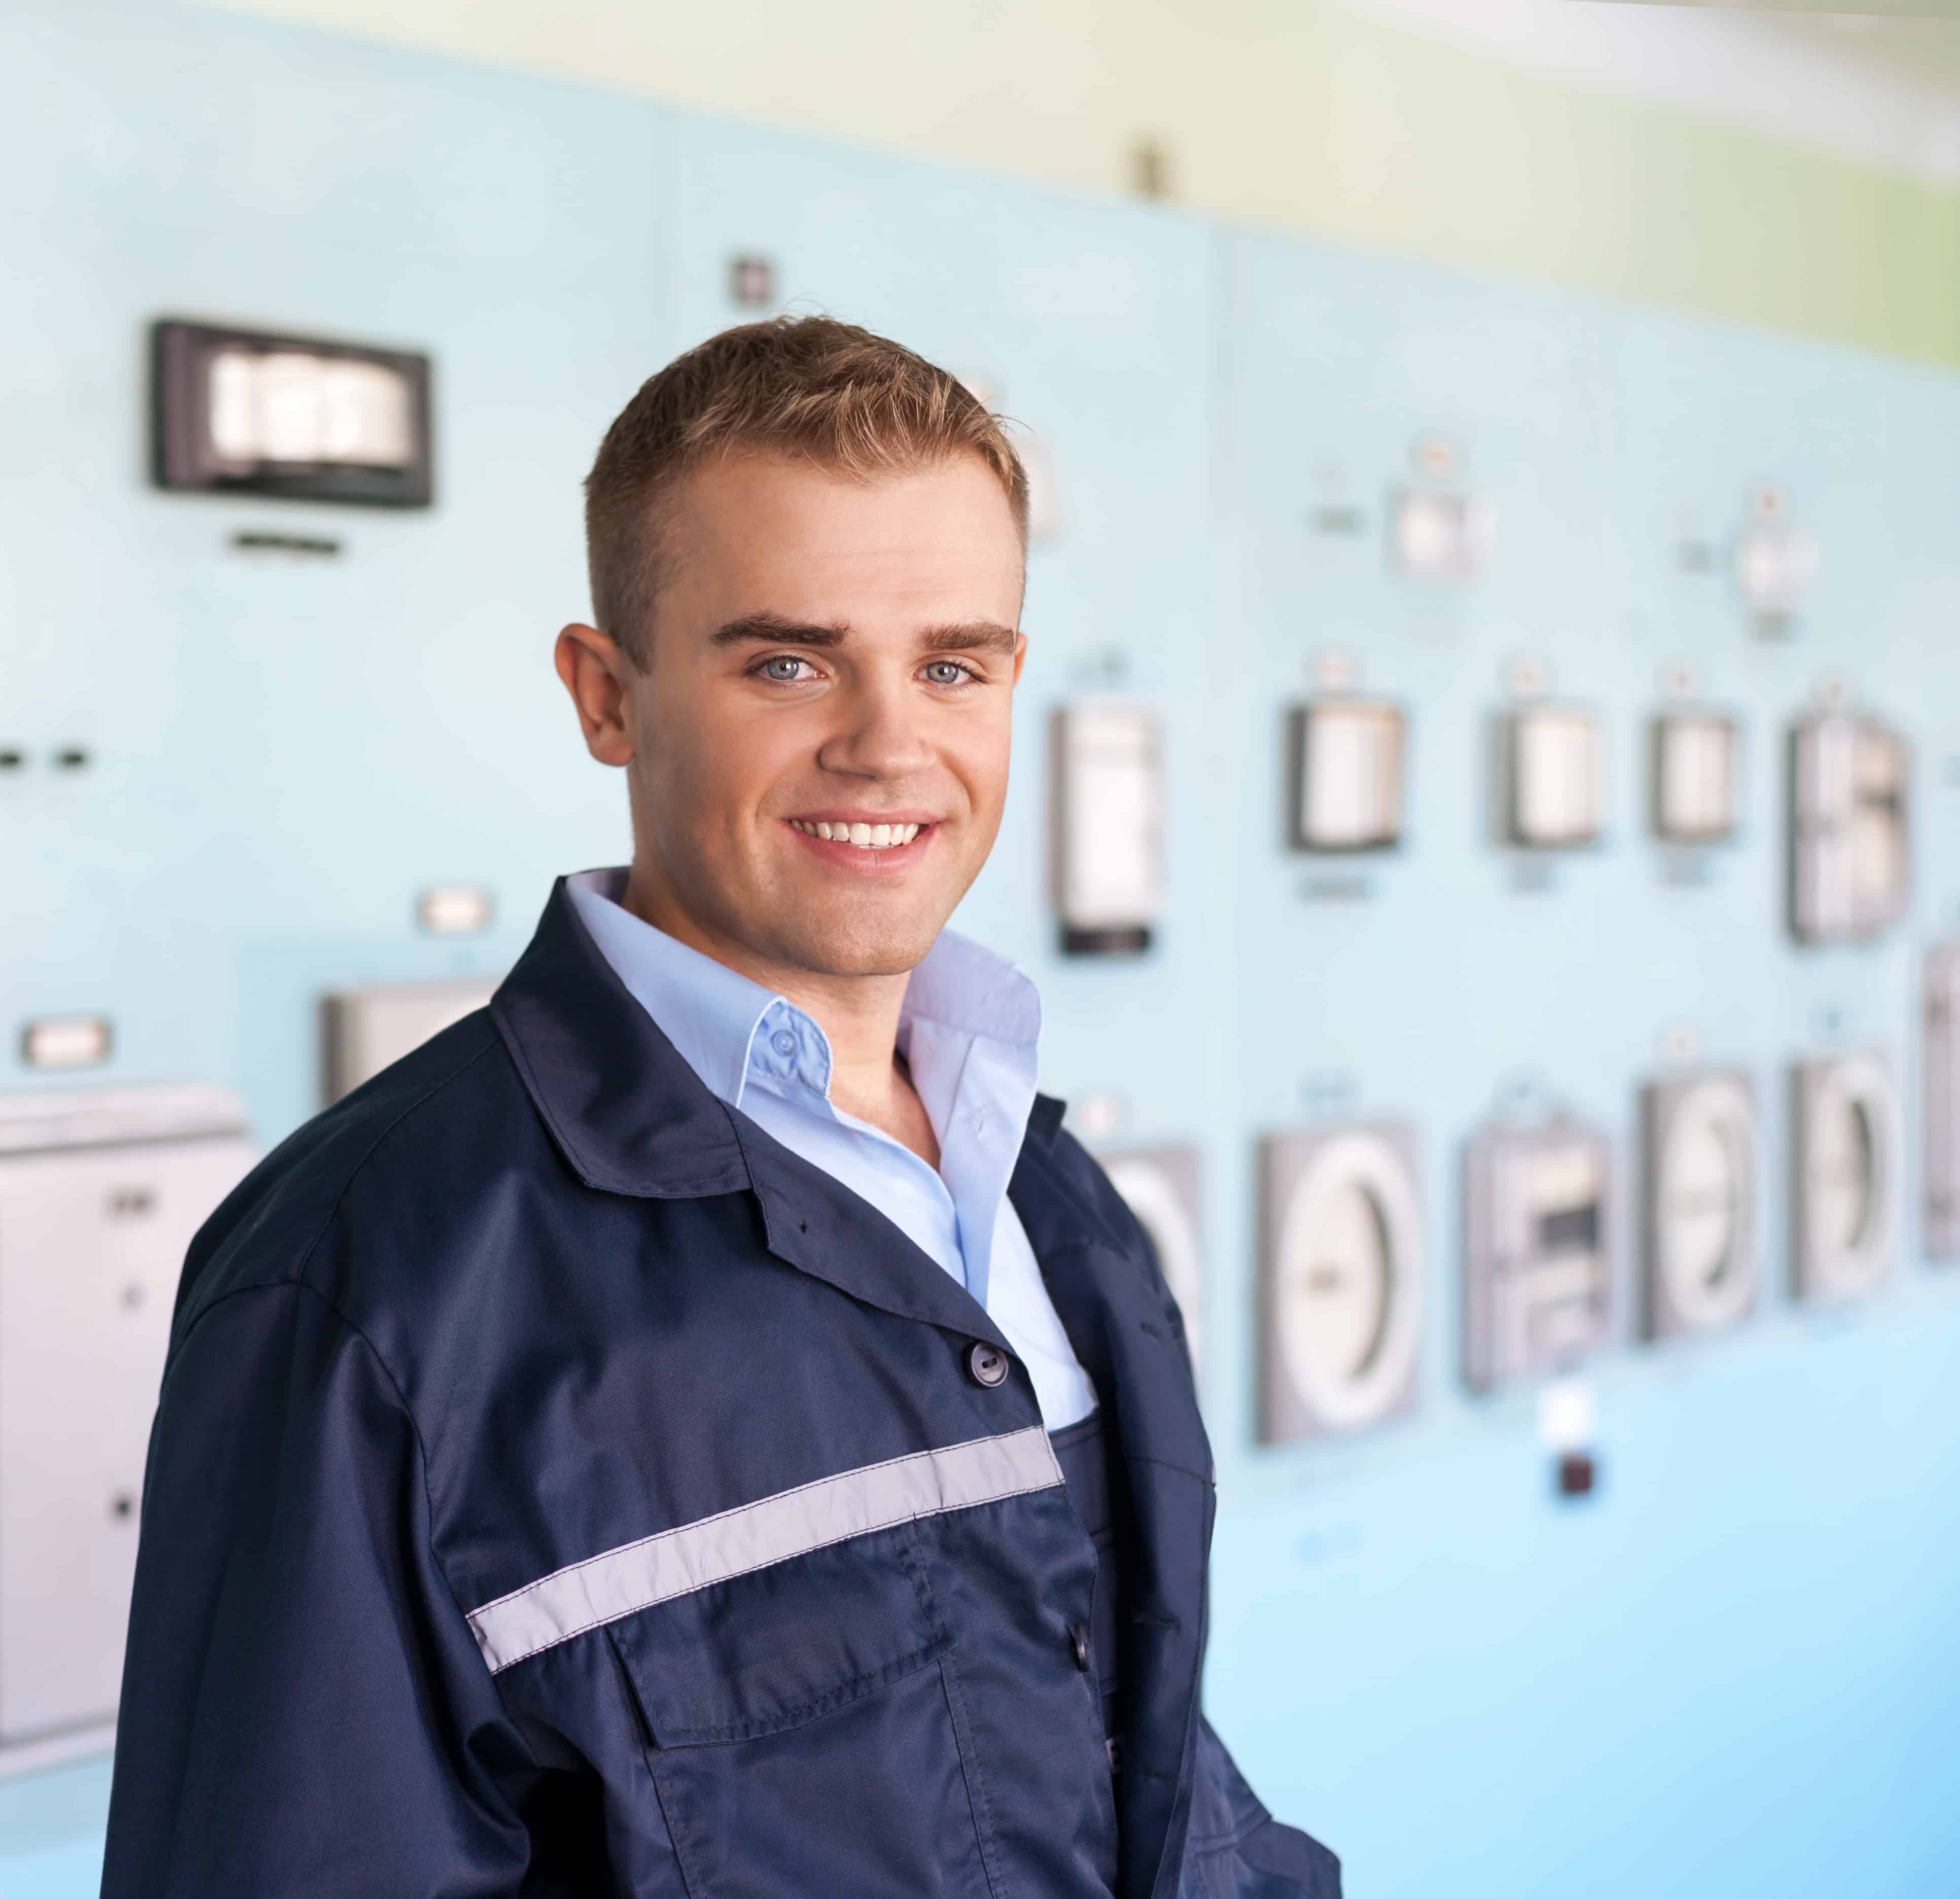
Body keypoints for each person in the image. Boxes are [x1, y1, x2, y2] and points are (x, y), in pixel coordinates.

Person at [101, 315, 1340, 1898]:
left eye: (953, 665)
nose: (891, 745)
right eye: (789, 661)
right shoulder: (370, 1296)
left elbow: (1144, 1783)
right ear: (606, 698)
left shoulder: (1039, 1192)